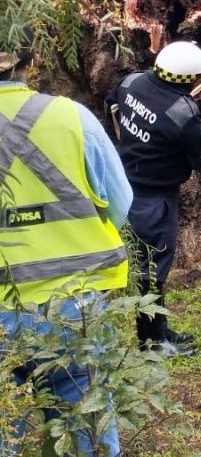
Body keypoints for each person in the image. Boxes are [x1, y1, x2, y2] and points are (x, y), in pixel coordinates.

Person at [0, 36, 133, 456]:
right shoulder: (72, 117)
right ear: (30, 59)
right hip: (76, 304)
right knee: (88, 424)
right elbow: (121, 203)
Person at [106, 41, 201, 355]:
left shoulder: (130, 82)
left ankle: (160, 330)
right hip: (154, 199)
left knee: (147, 266)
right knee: (151, 270)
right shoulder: (183, 112)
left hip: (123, 186)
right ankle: (153, 343)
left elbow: (110, 106)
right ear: (189, 79)